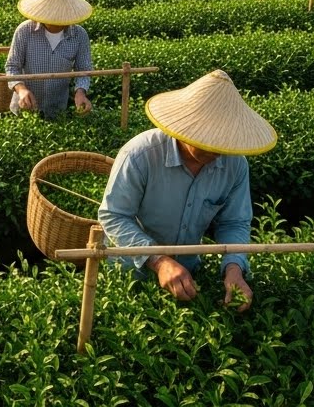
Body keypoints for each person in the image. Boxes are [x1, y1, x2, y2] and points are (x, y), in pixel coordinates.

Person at [97, 69, 277, 312]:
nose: (215, 152)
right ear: (185, 126)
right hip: (129, 275)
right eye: (206, 141)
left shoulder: (235, 165)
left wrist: (234, 268)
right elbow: (114, 216)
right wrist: (159, 261)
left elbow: (234, 222)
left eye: (223, 144)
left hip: (188, 275)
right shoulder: (140, 155)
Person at [5, 0, 94, 119]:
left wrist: (80, 92)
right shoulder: (24, 31)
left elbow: (84, 70)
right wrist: (21, 89)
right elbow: (12, 66)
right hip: (24, 108)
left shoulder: (79, 35)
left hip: (57, 108)